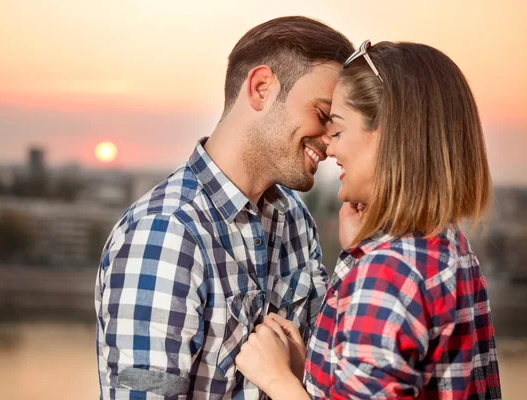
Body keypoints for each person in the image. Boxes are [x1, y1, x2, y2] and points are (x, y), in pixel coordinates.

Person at [94, 16, 354, 399]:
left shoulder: (296, 220)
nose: (331, 144)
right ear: (261, 88)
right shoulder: (165, 235)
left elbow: (327, 377)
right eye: (321, 114)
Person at [234, 40, 502, 399]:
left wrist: (276, 379)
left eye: (340, 130)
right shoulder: (452, 250)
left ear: (391, 136)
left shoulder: (387, 274)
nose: (330, 148)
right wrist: (314, 369)